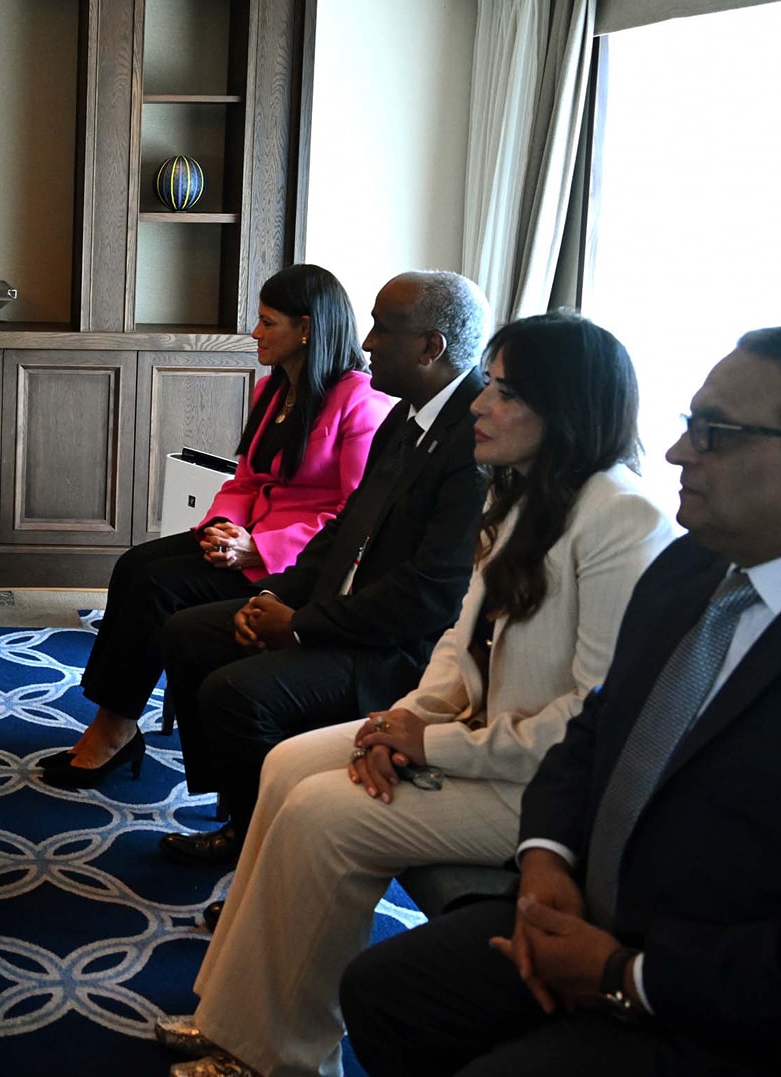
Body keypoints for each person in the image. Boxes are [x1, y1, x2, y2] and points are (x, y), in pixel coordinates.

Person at [339, 326, 781, 1077]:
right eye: (690, 423)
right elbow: (594, 730)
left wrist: (620, 972)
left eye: (715, 432)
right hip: (591, 912)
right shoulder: (694, 565)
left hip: (730, 1002)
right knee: (384, 990)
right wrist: (546, 863)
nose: (680, 452)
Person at [154, 314, 673, 1077]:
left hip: (539, 787)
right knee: (287, 764)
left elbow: (587, 716)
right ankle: (230, 1017)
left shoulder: (623, 518)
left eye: (504, 391)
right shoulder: (523, 493)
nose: (480, 404)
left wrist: (428, 743)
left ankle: (280, 1057)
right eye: (487, 384)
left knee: (323, 817)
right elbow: (460, 643)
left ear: (565, 408)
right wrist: (400, 722)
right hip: (470, 735)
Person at [154, 271, 491, 865]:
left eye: (382, 328)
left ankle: (267, 854)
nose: (367, 342)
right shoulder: (408, 417)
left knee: (235, 693)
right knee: (189, 633)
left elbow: (431, 595)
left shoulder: (474, 443)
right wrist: (275, 596)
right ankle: (241, 816)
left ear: (429, 347)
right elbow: (345, 529)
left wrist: (301, 625)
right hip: (343, 611)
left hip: (397, 650)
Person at [43, 265, 391, 788]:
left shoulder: (360, 402)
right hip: (244, 538)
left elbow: (352, 514)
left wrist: (261, 548)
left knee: (157, 586)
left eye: (267, 322)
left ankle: (113, 732)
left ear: (306, 328)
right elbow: (246, 479)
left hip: (293, 562)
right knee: (134, 564)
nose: (255, 332)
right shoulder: (272, 391)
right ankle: (113, 722)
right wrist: (224, 527)